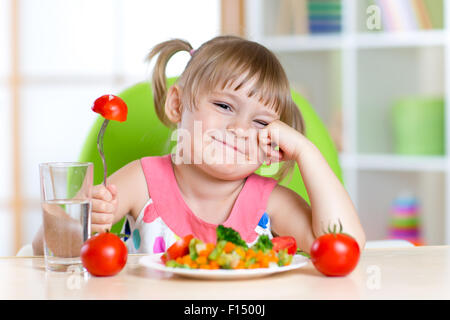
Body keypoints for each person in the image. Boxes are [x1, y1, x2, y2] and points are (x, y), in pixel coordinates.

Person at [33, 35, 365, 256]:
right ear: (177, 104)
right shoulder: (143, 181)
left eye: (261, 123)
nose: (238, 129)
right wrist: (87, 224)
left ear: (272, 143)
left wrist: (307, 153)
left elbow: (344, 246)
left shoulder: (269, 201)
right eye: (224, 106)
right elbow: (46, 246)